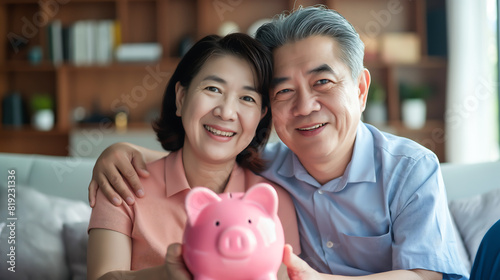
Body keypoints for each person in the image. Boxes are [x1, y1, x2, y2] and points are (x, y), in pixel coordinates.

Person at [88, 6, 470, 280]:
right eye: (284, 90)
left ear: (360, 89)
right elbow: (210, 159)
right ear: (181, 96)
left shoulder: (408, 168)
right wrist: (124, 152)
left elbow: (425, 275)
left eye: (322, 82)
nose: (305, 106)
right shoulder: (269, 173)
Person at [86, 33, 300, 280]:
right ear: (181, 98)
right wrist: (167, 274)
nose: (226, 112)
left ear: (261, 117)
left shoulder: (272, 202)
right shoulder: (123, 183)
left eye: (247, 98)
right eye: (213, 88)